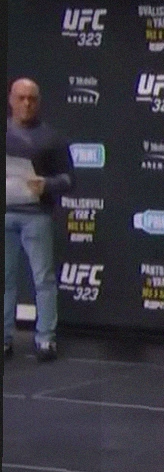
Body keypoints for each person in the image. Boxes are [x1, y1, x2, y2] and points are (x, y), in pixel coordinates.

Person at [5, 78, 73, 362]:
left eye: (31, 99)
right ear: (11, 100)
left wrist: (47, 184)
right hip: (5, 214)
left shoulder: (51, 138)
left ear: (39, 102)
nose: (26, 104)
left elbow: (69, 179)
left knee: (43, 279)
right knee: (5, 279)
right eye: (21, 98)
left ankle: (46, 338)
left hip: (37, 216)